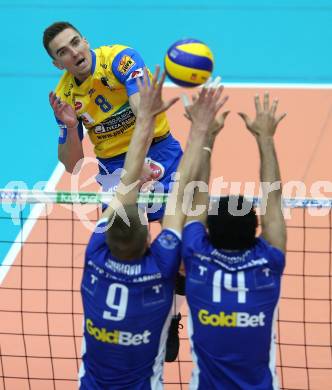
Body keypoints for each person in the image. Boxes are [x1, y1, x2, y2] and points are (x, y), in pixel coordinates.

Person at [79, 67, 229, 389]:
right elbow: (186, 190)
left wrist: (145, 121)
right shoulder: (157, 264)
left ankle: (173, 316)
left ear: (105, 233)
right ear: (149, 236)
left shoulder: (95, 256)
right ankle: (173, 314)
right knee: (191, 256)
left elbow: (129, 181)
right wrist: (201, 131)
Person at [180, 92, 287, 389]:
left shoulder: (195, 255)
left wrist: (207, 136)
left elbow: (196, 196)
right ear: (257, 230)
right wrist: (265, 138)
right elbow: (274, 200)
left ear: (208, 233)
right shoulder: (268, 260)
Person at [43, 21, 182, 221]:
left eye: (75, 42)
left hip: (158, 149)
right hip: (115, 166)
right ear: (58, 64)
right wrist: (71, 127)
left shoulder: (122, 59)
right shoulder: (63, 97)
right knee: (122, 239)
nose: (74, 53)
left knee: (173, 227)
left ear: (85, 41)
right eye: (63, 52)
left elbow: (143, 112)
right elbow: (72, 165)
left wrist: (138, 162)